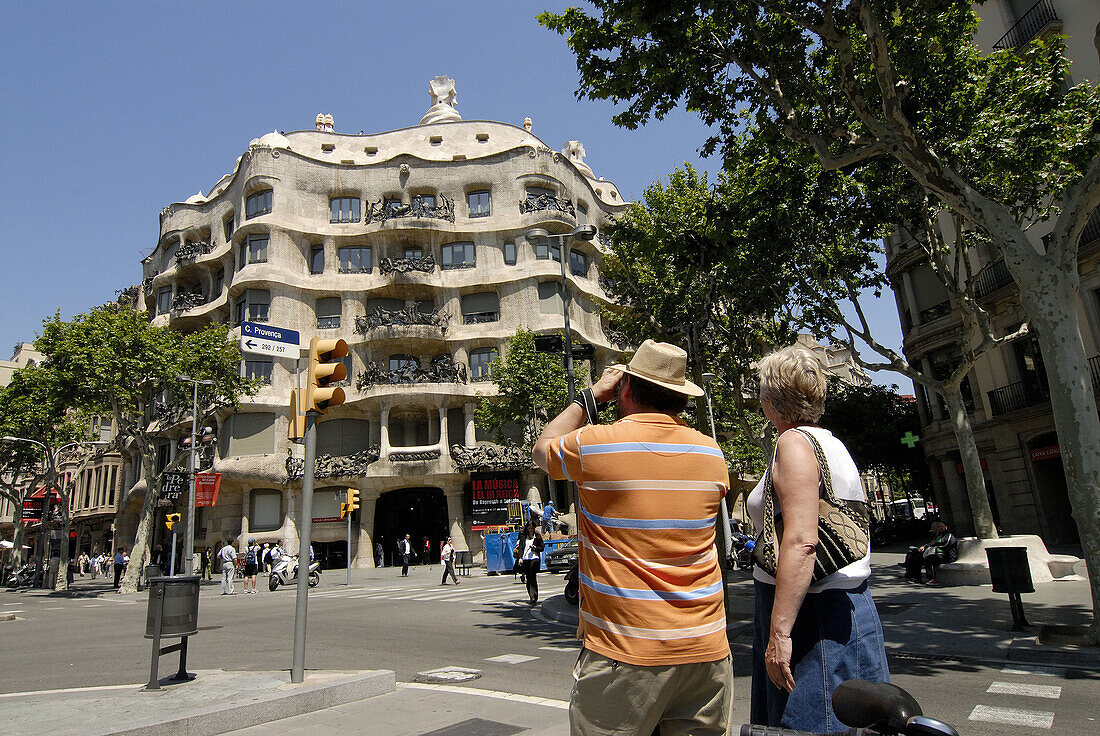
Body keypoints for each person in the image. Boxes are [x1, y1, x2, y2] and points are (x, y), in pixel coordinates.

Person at [534, 340, 733, 735]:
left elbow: (542, 449)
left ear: (625, 390)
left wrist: (591, 395)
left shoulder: (598, 444)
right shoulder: (712, 454)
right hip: (706, 650)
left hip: (625, 654)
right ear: (680, 398)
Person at [747, 346, 890, 733]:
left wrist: (779, 633)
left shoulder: (793, 443)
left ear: (770, 399)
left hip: (811, 616)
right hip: (845, 606)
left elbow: (801, 542)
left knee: (809, 724)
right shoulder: (832, 444)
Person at [515, 521, 544, 604]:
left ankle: (534, 596)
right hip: (526, 559)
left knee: (533, 577)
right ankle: (531, 596)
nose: (531, 530)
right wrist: (520, 558)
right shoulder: (523, 537)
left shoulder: (537, 536)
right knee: (528, 578)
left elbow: (542, 548)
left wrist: (535, 548)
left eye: (532, 528)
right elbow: (520, 548)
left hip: (535, 558)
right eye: (529, 528)